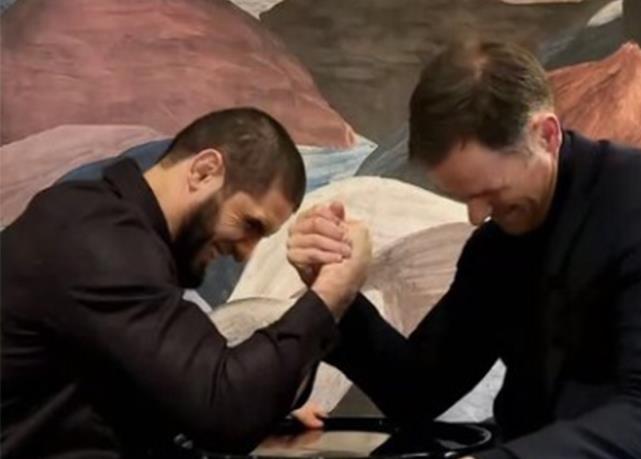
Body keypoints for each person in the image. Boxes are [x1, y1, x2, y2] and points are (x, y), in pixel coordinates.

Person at [287, 40, 641, 458]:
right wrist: (335, 292)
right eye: (463, 197)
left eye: (489, 192)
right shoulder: (497, 247)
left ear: (546, 135)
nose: (477, 216)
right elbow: (416, 390)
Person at [1, 108, 372, 458]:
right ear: (204, 171)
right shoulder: (103, 242)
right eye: (249, 224)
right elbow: (225, 407)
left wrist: (269, 397)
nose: (245, 253)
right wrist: (332, 292)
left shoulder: (101, 224)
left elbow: (162, 384)